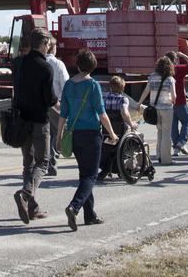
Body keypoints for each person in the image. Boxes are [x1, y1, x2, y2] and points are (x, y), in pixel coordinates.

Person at [57, 49, 118, 231]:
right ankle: (74, 207)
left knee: (85, 174)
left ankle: (89, 215)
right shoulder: (93, 85)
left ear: (77, 64)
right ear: (93, 66)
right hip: (91, 134)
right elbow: (101, 113)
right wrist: (113, 134)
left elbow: (63, 114)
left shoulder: (68, 85)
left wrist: (59, 136)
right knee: (91, 176)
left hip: (74, 133)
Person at [13, 27, 55, 224]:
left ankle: (33, 207)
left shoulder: (19, 63)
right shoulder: (45, 67)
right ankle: (26, 194)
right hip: (39, 120)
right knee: (43, 162)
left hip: (22, 120)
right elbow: (49, 99)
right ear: (44, 44)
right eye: (49, 45)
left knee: (27, 163)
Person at [97, 75, 137, 180]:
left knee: (106, 146)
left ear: (111, 87)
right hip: (120, 131)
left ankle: (105, 168)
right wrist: (132, 124)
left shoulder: (104, 98)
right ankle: (123, 167)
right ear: (122, 88)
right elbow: (124, 112)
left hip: (107, 130)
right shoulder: (123, 99)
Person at [138, 55, 175, 166]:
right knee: (166, 134)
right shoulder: (170, 79)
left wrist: (139, 102)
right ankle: (166, 159)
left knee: (159, 132)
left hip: (155, 109)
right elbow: (174, 97)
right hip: (167, 108)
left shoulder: (152, 77)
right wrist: (173, 102)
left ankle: (158, 155)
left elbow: (146, 91)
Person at [44, 36, 69, 177]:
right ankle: (52, 163)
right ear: (53, 48)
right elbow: (66, 84)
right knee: (56, 133)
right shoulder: (58, 64)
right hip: (56, 103)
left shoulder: (39, 63)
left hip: (40, 104)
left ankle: (42, 162)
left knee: (43, 134)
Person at [168, 47, 188, 156]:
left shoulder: (164, 72)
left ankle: (176, 146)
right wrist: (183, 55)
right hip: (180, 100)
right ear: (175, 60)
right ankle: (181, 143)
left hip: (168, 102)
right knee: (186, 122)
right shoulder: (178, 69)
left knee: (173, 125)